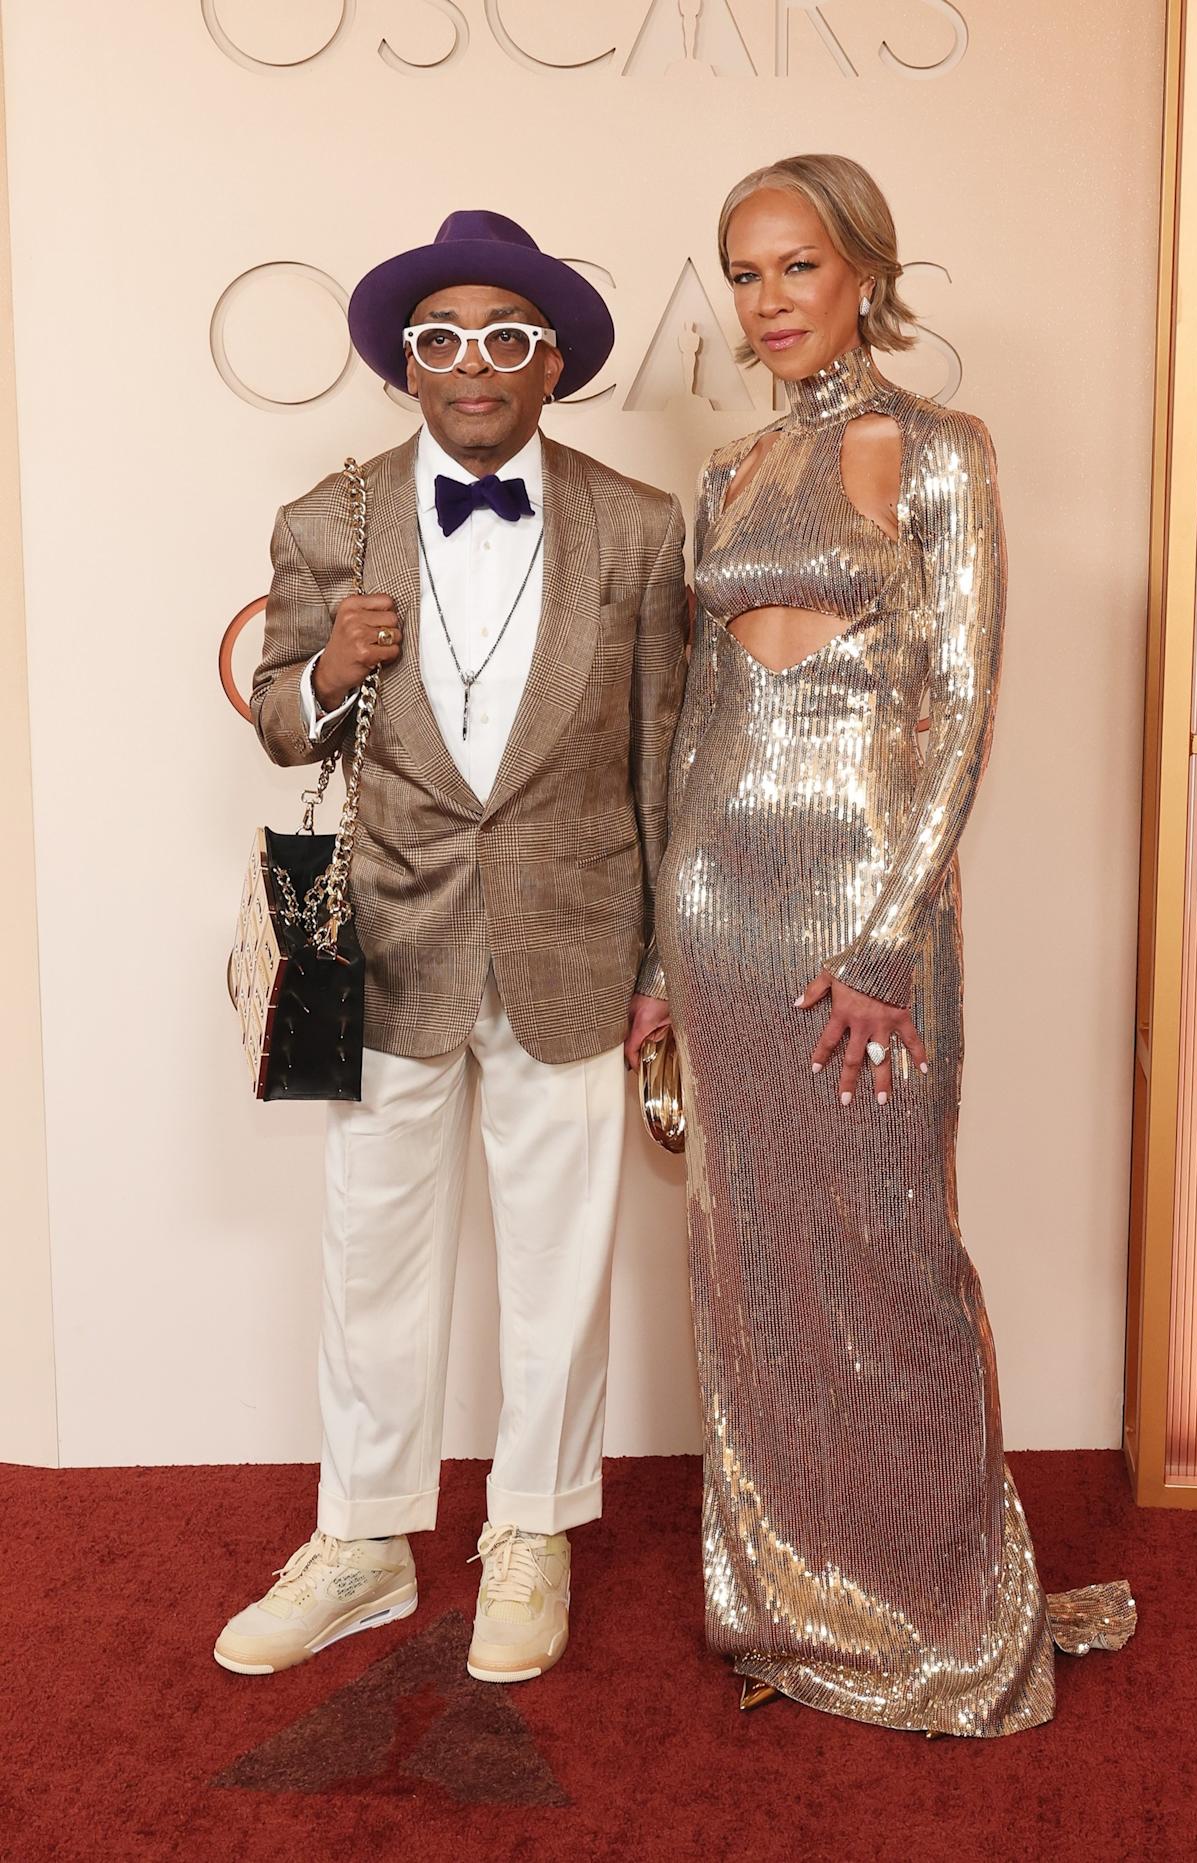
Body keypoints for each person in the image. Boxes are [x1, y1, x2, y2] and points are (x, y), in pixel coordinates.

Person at [643, 154, 1135, 1735]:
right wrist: (661, 950)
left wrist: (885, 942)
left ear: (864, 267)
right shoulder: (720, 477)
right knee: (756, 1266)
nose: (768, 301)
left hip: (865, 910)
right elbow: (697, 718)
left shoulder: (935, 451)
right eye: (743, 273)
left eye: (796, 266)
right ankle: (798, 1595)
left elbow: (961, 709)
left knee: (891, 1259)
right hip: (720, 908)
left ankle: (932, 1607)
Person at [215, 211, 687, 1684]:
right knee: (372, 1249)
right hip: (391, 940)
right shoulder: (326, 520)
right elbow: (284, 722)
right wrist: (326, 669)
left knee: (561, 1261)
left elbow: (664, 757)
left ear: (552, 364)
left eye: (502, 339)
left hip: (577, 937)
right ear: (404, 368)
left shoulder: (637, 525)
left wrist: (664, 964)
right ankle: (359, 1541)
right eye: (440, 341)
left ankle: (531, 1532)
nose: (471, 365)